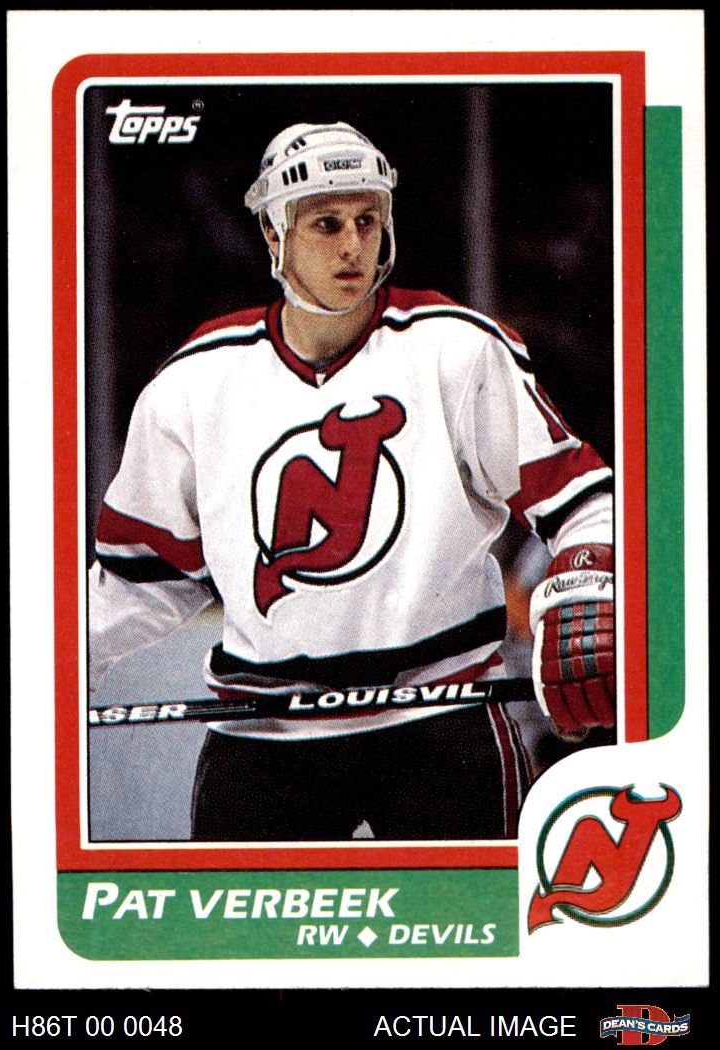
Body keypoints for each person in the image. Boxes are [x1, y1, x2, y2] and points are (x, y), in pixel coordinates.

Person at [89, 121, 614, 842]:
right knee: (240, 923)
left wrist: (585, 580)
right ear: (273, 235)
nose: (352, 245)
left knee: (475, 921)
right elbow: (140, 580)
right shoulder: (194, 383)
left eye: (367, 220)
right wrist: (64, 660)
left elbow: (584, 500)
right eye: (326, 223)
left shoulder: (455, 350)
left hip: (444, 722)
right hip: (263, 736)